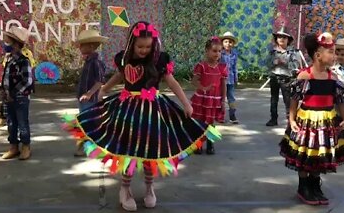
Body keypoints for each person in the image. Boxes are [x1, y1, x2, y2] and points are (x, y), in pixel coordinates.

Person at [63, 21, 221, 211]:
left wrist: (186, 103)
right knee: (128, 150)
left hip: (153, 111)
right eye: (140, 46)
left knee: (151, 149)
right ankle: (125, 188)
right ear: (132, 43)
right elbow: (119, 76)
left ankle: (149, 188)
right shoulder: (124, 58)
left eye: (148, 46)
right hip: (128, 110)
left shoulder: (159, 60)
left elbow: (171, 82)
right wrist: (104, 88)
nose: (144, 50)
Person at [279, 32, 344, 205]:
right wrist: (291, 120)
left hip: (326, 121)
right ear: (318, 55)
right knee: (306, 153)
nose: (334, 56)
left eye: (335, 52)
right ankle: (303, 186)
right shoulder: (305, 76)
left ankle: (315, 185)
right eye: (331, 52)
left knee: (319, 153)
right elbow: (295, 100)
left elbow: (339, 100)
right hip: (307, 120)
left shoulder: (332, 78)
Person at [0, 26, 34, 160]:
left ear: (15, 44)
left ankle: (26, 146)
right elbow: (6, 77)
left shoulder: (23, 61)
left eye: (7, 41)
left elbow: (27, 81)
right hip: (9, 99)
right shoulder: (9, 60)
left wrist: (13, 93)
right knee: (11, 123)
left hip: (20, 98)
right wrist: (2, 90)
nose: (5, 44)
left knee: (22, 122)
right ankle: (13, 146)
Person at [73, 29, 108, 157]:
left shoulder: (96, 63)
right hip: (84, 100)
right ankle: (87, 146)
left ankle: (89, 147)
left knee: (88, 123)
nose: (80, 47)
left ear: (91, 46)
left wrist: (89, 93)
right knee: (85, 123)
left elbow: (100, 81)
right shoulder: (88, 62)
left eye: (82, 45)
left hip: (91, 100)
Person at [191, 36, 227, 154]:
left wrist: (223, 100)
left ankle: (210, 145)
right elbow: (194, 81)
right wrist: (203, 88)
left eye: (219, 51)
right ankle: (198, 144)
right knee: (199, 122)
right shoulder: (201, 66)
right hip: (201, 99)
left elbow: (223, 85)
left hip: (214, 100)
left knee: (211, 123)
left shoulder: (222, 68)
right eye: (214, 51)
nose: (217, 54)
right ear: (207, 51)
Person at [266, 26, 302, 126]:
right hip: (274, 76)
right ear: (276, 39)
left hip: (286, 78)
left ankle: (290, 119)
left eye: (284, 37)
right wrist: (274, 62)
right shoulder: (272, 52)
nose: (281, 39)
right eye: (279, 37)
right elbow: (267, 64)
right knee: (274, 99)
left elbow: (296, 65)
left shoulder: (292, 52)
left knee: (288, 100)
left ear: (288, 40)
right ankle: (273, 118)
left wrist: (285, 62)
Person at [219, 32, 239, 124]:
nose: (228, 44)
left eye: (230, 42)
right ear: (222, 43)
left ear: (233, 44)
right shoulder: (220, 53)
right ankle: (220, 115)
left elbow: (235, 67)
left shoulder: (234, 54)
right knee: (221, 97)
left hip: (230, 79)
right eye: (226, 41)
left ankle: (232, 115)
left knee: (231, 97)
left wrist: (236, 77)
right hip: (220, 79)